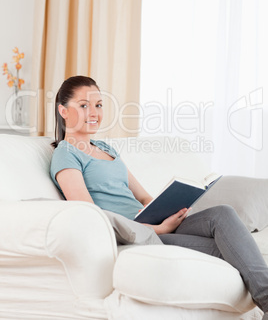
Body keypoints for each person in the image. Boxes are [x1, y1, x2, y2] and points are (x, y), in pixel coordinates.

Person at [50, 75, 268, 318]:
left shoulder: (106, 149)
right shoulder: (66, 154)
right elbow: (91, 218)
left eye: (99, 105)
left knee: (222, 213)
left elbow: (143, 197)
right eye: (84, 105)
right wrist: (159, 229)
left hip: (152, 221)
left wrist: (172, 205)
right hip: (134, 235)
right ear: (63, 111)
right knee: (224, 247)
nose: (94, 112)